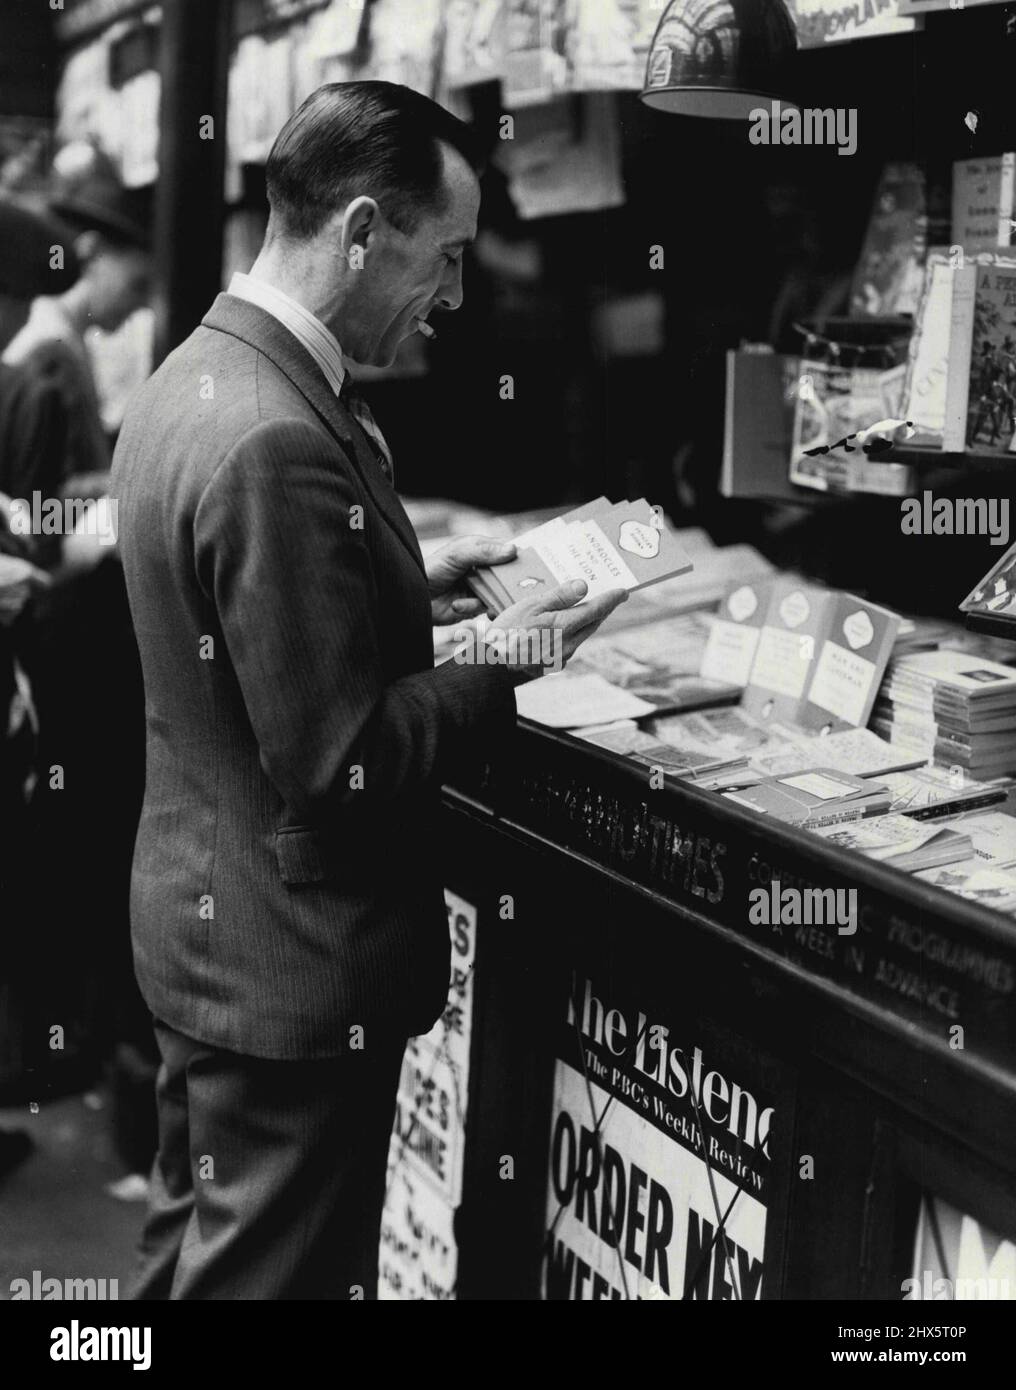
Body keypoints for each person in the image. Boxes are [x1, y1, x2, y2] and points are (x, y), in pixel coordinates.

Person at [112, 80, 626, 1301]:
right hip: (285, 965)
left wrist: (406, 575)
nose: (452, 299)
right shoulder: (274, 436)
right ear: (357, 232)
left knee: (192, 1254)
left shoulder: (202, 369)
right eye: (444, 260)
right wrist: (521, 649)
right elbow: (340, 761)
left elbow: (241, 627)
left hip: (206, 929)